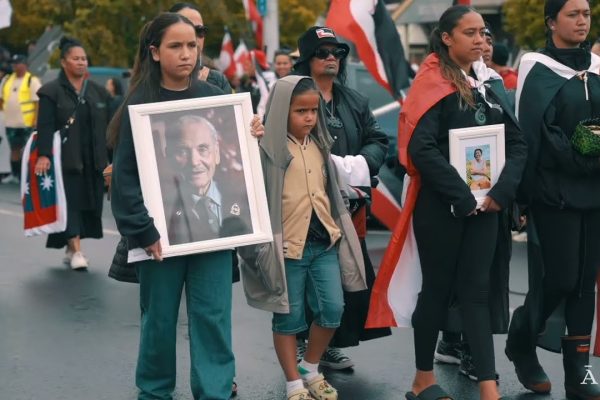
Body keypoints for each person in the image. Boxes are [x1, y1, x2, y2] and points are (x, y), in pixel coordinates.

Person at [367, 5, 526, 400]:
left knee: (476, 292)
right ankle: (423, 378)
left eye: (483, 32)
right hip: (442, 207)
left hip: (487, 206)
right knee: (436, 289)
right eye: (470, 33)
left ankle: (488, 385)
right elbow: (420, 148)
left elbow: (518, 144)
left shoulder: (490, 84)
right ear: (446, 38)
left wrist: (498, 196)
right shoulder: (432, 83)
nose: (480, 40)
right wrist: (461, 196)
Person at [106, 13, 263, 400]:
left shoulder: (215, 99)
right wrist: (143, 231)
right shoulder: (140, 103)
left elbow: (236, 174)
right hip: (158, 238)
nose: (187, 54)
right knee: (158, 320)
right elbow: (125, 179)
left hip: (211, 237)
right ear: (155, 52)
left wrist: (251, 135)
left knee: (212, 318)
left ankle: (215, 390)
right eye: (176, 46)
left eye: (192, 45)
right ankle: (155, 392)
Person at [239, 74, 366, 400]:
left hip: (324, 244)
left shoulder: (321, 146)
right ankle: (294, 382)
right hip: (287, 249)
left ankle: (310, 367)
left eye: (313, 111)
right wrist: (251, 135)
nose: (309, 117)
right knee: (288, 319)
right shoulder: (267, 148)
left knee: (333, 310)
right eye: (300, 111)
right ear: (283, 110)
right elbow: (243, 164)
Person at [505, 1, 600, 399]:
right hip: (553, 190)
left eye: (587, 14)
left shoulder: (596, 69)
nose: (582, 21)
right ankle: (522, 340)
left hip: (595, 188)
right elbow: (533, 130)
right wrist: (577, 156)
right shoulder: (537, 67)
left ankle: (578, 369)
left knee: (584, 282)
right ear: (551, 21)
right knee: (559, 278)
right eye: (573, 14)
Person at [293, 25, 390, 370]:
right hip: (305, 209)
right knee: (306, 279)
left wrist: (360, 164)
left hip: (349, 208)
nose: (332, 57)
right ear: (306, 59)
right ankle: (303, 341)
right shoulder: (291, 96)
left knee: (347, 279)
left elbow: (379, 141)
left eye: (338, 52)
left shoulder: (355, 101)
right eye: (323, 52)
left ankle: (330, 344)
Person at [34, 38, 111, 270]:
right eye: (76, 58)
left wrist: (111, 160)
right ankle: (77, 251)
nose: (81, 62)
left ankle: (70, 246)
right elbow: (44, 126)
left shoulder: (98, 92)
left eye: (84, 59)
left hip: (94, 160)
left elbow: (111, 125)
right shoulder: (51, 92)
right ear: (64, 62)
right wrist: (44, 155)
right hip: (66, 160)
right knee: (71, 204)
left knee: (90, 204)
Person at [163, 114, 251, 244]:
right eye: (182, 151)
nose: (194, 162)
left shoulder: (242, 195)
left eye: (203, 149)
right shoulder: (163, 208)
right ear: (169, 156)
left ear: (216, 153)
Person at [169, 2, 232, 94]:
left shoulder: (218, 82)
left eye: (200, 31)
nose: (193, 37)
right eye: (185, 30)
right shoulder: (147, 84)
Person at [0, 54, 42, 184]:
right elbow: (2, 99)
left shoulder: (32, 80)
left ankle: (27, 175)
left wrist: (36, 119)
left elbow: (37, 102)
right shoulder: (7, 80)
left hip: (27, 123)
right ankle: (15, 174)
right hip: (11, 123)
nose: (15, 65)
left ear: (25, 65)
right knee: (14, 149)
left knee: (27, 149)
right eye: (14, 63)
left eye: (18, 63)